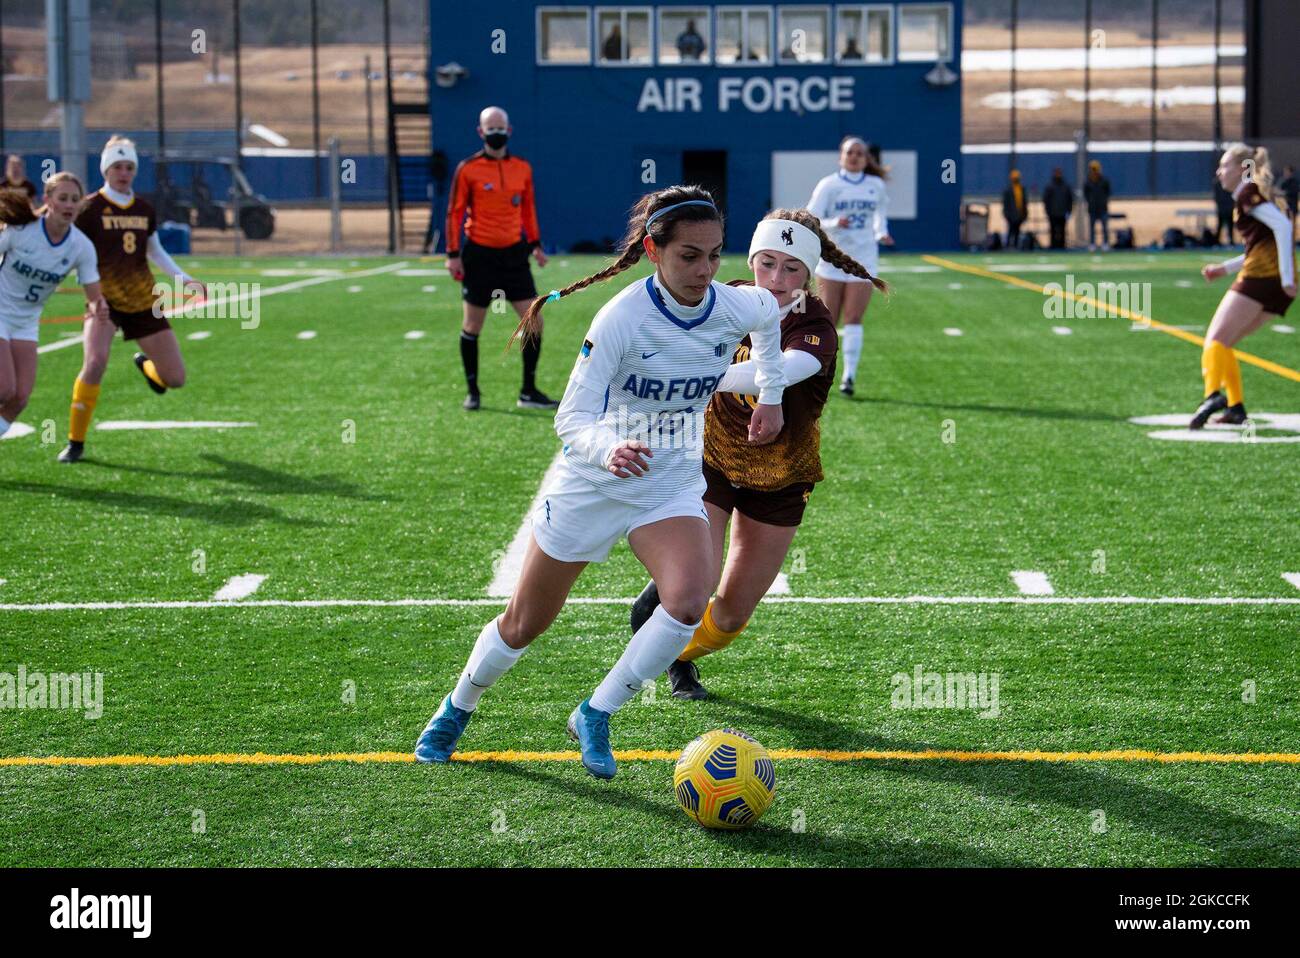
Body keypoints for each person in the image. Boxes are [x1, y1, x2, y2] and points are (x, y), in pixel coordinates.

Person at [413, 185, 788, 780]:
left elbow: (769, 325)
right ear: (652, 251)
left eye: (715, 254)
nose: (706, 269)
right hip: (592, 479)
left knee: (688, 600)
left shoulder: (738, 305)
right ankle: (457, 708)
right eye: (689, 255)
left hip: (667, 479)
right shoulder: (621, 318)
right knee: (524, 623)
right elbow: (571, 418)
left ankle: (595, 712)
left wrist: (770, 396)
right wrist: (609, 447)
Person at [629, 208, 885, 700]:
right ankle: (669, 638)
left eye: (791, 268)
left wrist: (698, 373)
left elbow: (777, 373)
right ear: (751, 260)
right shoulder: (723, 299)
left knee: (731, 615)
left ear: (808, 274)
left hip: (782, 474)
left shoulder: (817, 326)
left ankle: (677, 652)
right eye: (766, 263)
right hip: (714, 459)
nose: (775, 279)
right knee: (694, 583)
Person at [57, 136, 206, 464]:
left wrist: (184, 280)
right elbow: (69, 246)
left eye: (129, 167)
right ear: (105, 170)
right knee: (94, 363)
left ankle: (146, 366)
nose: (123, 173)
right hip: (104, 301)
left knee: (175, 379)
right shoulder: (88, 208)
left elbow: (156, 251)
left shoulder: (144, 209)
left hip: (142, 298)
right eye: (117, 167)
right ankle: (75, 442)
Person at [444, 106, 555, 411]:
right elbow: (454, 213)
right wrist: (453, 254)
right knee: (472, 325)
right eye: (489, 128)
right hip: (479, 255)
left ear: (509, 130)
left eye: (499, 128)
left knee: (533, 320)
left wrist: (535, 243)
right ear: (481, 133)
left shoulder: (522, 167)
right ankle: (473, 391)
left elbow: (528, 208)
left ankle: (529, 391)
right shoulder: (468, 169)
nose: (495, 133)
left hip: (514, 255)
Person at [1189, 144, 1296, 429]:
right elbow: (1260, 246)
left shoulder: (1248, 193)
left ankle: (1212, 395)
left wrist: (1287, 278)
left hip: (1262, 279)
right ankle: (1236, 408)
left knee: (1214, 340)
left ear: (1242, 168)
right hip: (1271, 283)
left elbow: (1284, 228)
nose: (1219, 171)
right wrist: (1223, 269)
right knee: (1225, 344)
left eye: (1225, 165)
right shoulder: (1249, 195)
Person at [0, 173, 105, 440]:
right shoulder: (20, 232)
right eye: (63, 198)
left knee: (20, 398)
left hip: (26, 322)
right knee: (4, 388)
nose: (69, 205)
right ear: (48, 201)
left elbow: (94, 295)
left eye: (74, 200)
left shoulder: (81, 247)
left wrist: (100, 306)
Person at [805, 136, 891, 397]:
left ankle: (849, 376)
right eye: (849, 152)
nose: (854, 157)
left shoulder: (875, 185)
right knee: (829, 319)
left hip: (864, 259)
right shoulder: (829, 184)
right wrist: (833, 223)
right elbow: (811, 215)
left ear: (866, 159)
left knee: (854, 318)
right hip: (832, 260)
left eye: (859, 153)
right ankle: (822, 371)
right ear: (840, 157)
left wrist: (881, 233)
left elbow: (880, 216)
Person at [1083, 159, 1112, 251]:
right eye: (1092, 169)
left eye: (1095, 169)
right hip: (1092, 208)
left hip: (1102, 208)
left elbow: (1108, 192)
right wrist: (1090, 202)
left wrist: (1103, 201)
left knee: (1105, 227)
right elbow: (1086, 194)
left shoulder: (1104, 181)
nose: (1094, 171)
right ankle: (1092, 244)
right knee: (1092, 228)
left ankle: (1105, 243)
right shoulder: (1087, 181)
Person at [1042, 167, 1073, 249]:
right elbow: (1046, 200)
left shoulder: (1066, 186)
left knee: (1062, 230)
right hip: (1053, 213)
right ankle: (1053, 246)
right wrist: (1048, 211)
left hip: (1063, 212)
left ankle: (1062, 246)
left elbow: (1070, 199)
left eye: (1059, 173)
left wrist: (1069, 211)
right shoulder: (1050, 186)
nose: (1058, 175)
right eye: (1056, 173)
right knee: (1053, 230)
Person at [1002, 169, 1027, 249]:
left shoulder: (1021, 189)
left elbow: (1024, 202)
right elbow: (1006, 203)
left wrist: (1024, 214)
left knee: (1017, 231)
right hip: (1011, 215)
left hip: (1019, 215)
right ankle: (1008, 246)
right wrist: (1007, 214)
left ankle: (1016, 246)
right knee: (1010, 231)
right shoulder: (1008, 190)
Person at [1213, 175, 1236, 246]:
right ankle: (1217, 241)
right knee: (1220, 225)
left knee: (1230, 225)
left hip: (1229, 208)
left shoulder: (1229, 183)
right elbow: (1217, 197)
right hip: (1222, 208)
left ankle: (1231, 240)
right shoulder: (1217, 183)